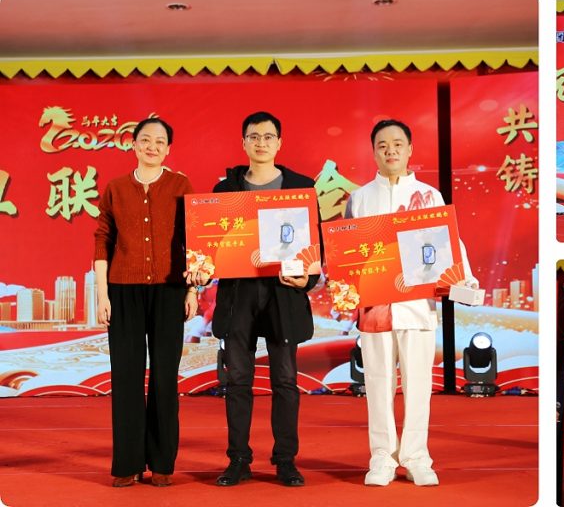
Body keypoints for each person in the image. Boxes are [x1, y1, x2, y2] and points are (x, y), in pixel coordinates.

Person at [345, 119, 478, 487]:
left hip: (417, 305)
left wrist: (464, 277)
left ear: (409, 150)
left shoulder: (429, 195)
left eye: (397, 144)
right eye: (383, 145)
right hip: (375, 307)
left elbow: (450, 241)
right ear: (374, 152)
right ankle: (381, 458)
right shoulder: (359, 198)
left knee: (419, 385)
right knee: (378, 384)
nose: (390, 150)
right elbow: (348, 253)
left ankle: (417, 457)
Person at [209, 111, 319, 488]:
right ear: (243, 143)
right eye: (254, 137)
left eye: (268, 137)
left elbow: (314, 244)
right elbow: (211, 244)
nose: (261, 143)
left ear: (279, 143)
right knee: (238, 380)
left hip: (283, 293)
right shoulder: (225, 190)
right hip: (238, 294)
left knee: (285, 380)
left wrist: (307, 278)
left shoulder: (301, 187)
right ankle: (238, 459)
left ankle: (285, 461)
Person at [93, 118, 197, 487]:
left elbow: (194, 240)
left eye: (160, 142)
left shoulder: (180, 186)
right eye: (146, 140)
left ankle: (163, 463)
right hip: (123, 291)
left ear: (168, 149)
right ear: (134, 145)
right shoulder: (116, 188)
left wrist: (192, 291)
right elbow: (102, 239)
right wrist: (102, 295)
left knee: (165, 378)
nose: (152, 147)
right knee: (126, 377)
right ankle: (128, 463)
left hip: (169, 291)